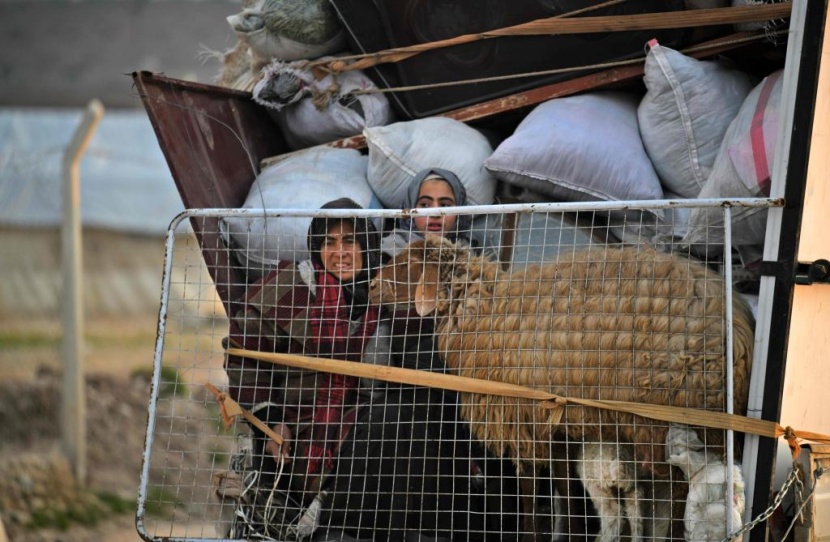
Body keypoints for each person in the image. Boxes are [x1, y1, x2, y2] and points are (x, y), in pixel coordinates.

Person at [222, 197, 486, 541]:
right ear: (316, 247)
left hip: (382, 427)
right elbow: (244, 353)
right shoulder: (289, 287)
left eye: (350, 241)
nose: (340, 252)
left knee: (404, 422)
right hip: (306, 431)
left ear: (366, 245)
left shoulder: (392, 287)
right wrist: (272, 421)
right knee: (391, 425)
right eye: (328, 242)